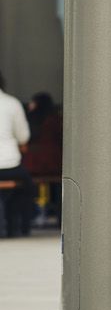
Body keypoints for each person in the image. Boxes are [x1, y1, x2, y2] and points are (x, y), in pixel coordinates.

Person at [0, 71, 33, 237]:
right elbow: (23, 136)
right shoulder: (12, 103)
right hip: (8, 164)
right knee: (27, 186)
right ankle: (22, 227)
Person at [22, 93, 62, 225]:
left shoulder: (30, 119)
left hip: (33, 164)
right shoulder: (55, 119)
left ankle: (32, 215)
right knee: (58, 187)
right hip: (55, 163)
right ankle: (58, 217)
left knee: (26, 185)